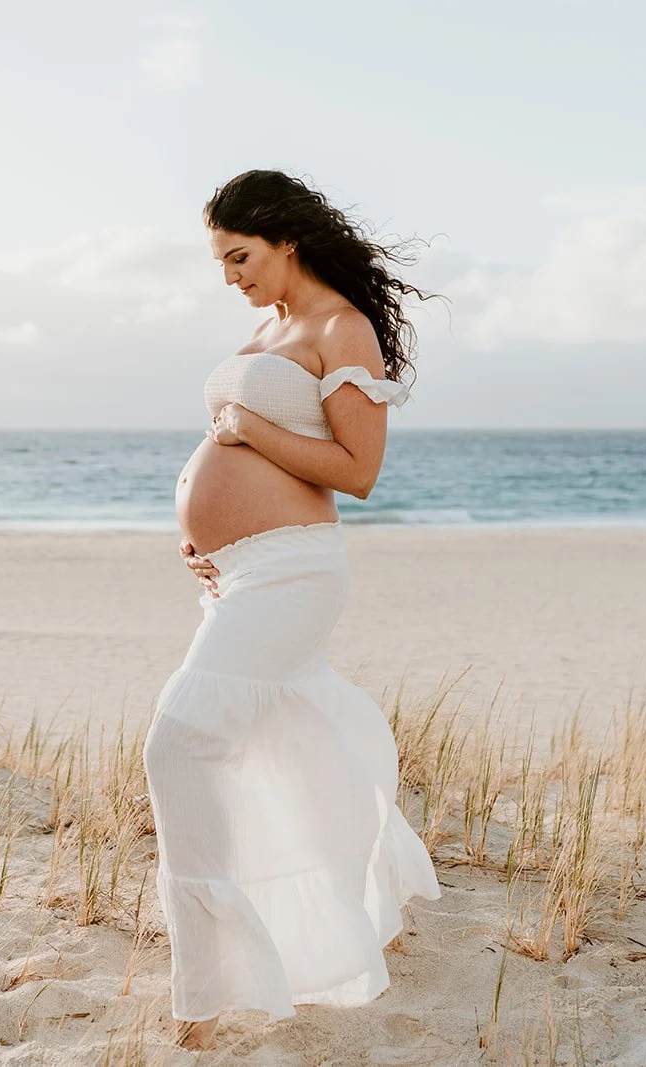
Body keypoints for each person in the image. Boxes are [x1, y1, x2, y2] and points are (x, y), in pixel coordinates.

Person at [142, 169, 444, 1050]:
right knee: (265, 754)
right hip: (239, 576)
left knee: (180, 740)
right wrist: (203, 535)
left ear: (287, 242)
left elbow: (358, 470)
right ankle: (270, 954)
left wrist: (246, 433)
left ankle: (203, 996)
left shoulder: (341, 327)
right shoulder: (267, 328)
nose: (229, 275)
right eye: (220, 260)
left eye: (240, 256)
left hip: (295, 573)